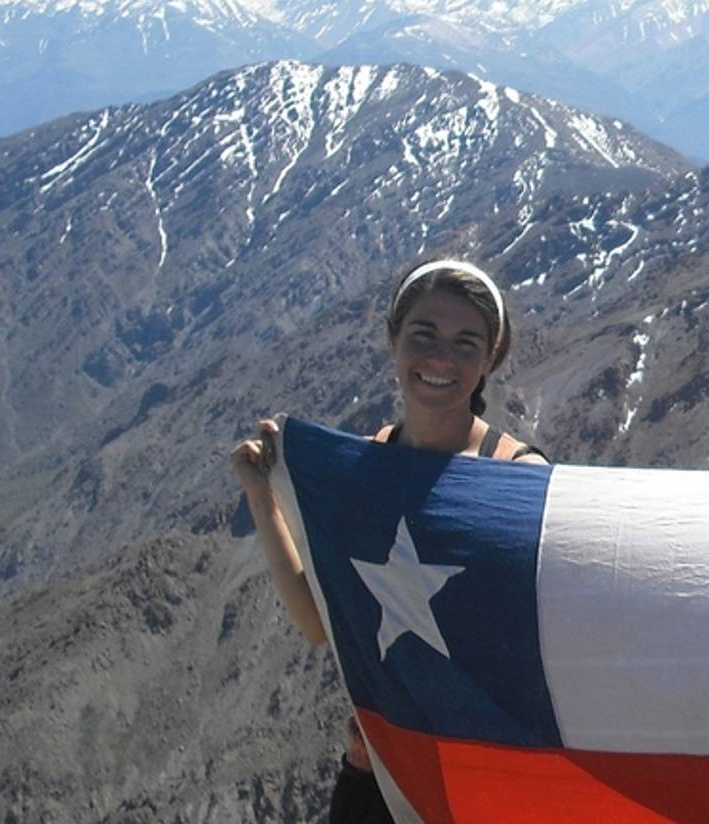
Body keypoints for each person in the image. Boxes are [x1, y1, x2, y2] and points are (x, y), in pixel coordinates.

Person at [229, 258, 547, 823]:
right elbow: (315, 621)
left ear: (491, 358)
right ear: (393, 338)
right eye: (422, 333)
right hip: (380, 776)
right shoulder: (369, 466)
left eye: (465, 342)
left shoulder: (518, 478)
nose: (440, 358)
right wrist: (263, 498)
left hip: (479, 785)